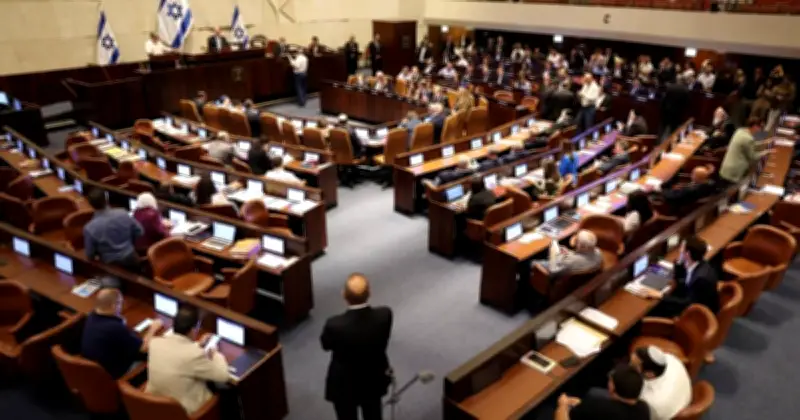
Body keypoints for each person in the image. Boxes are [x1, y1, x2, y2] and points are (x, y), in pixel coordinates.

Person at [321, 274, 393, 420]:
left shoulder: (334, 325)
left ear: (344, 295)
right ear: (369, 293)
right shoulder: (384, 315)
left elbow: (325, 345)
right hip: (373, 378)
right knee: (373, 415)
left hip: (344, 384)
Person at [146, 305, 230, 415]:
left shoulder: (155, 343)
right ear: (193, 329)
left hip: (155, 407)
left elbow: (177, 351)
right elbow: (223, 376)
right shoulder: (194, 355)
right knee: (225, 392)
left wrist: (197, 345)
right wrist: (215, 353)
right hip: (186, 413)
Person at [81, 288, 161, 378]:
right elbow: (143, 348)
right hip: (115, 372)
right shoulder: (114, 328)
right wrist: (153, 328)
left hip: (98, 368)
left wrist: (118, 319)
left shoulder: (92, 315)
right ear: (114, 306)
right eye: (120, 302)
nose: (121, 305)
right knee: (155, 353)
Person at [649, 236, 720, 317]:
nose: (679, 250)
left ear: (688, 253)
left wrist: (661, 296)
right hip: (694, 301)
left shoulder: (700, 279)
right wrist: (679, 262)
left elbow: (687, 303)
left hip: (698, 316)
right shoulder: (700, 263)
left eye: (681, 248)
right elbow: (686, 281)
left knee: (655, 310)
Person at [556, 365, 649, 420]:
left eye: (610, 380)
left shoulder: (599, 408)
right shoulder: (643, 408)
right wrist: (580, 404)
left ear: (612, 388)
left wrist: (562, 405)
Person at [84, 188, 143, 273]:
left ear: (90, 204)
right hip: (132, 258)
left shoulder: (89, 228)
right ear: (106, 199)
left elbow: (90, 254)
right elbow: (139, 231)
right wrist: (129, 243)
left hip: (111, 266)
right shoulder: (123, 213)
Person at [630, 346, 692, 420]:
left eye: (634, 366)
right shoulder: (671, 359)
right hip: (681, 398)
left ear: (650, 374)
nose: (629, 365)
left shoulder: (649, 401)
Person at [719, 117, 769, 185]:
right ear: (755, 126)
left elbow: (749, 144)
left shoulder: (740, 131)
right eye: (761, 127)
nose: (761, 130)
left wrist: (764, 142)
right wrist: (765, 152)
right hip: (734, 171)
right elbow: (753, 156)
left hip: (726, 168)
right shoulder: (748, 138)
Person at [535, 230, 603, 276]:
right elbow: (579, 256)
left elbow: (554, 269)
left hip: (558, 277)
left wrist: (555, 254)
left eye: (576, 241)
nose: (575, 243)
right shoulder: (598, 252)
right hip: (580, 274)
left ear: (579, 246)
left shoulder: (569, 261)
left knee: (533, 262)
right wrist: (568, 253)